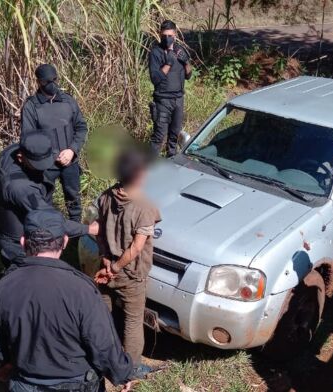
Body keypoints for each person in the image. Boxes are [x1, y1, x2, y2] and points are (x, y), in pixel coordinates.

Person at [0, 209, 137, 392]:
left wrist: (2, 365)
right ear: (64, 242)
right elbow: (102, 342)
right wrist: (121, 373)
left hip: (25, 381)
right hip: (77, 384)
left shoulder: (4, 287)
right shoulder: (82, 289)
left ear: (23, 242)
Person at [93, 150, 160, 374]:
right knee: (132, 322)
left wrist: (105, 260)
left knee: (104, 315)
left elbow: (98, 231)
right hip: (130, 274)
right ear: (139, 175)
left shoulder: (106, 196)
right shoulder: (144, 206)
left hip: (105, 268)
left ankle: (100, 357)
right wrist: (116, 267)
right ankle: (130, 369)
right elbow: (137, 247)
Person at [0, 132, 96, 268]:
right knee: (27, 281)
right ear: (20, 158)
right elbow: (50, 220)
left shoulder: (13, 151)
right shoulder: (21, 188)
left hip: (23, 227)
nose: (44, 168)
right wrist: (88, 229)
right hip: (17, 244)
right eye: (38, 165)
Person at [20, 63, 88, 222]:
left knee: (74, 200)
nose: (52, 85)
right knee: (44, 201)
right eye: (46, 82)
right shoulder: (31, 106)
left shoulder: (68, 101)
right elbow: (28, 139)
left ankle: (75, 235)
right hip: (45, 165)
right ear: (38, 82)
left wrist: (72, 150)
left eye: (54, 80)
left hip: (70, 161)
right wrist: (53, 155)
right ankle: (50, 235)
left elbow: (81, 127)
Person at [147, 20, 192, 157]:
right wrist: (169, 63)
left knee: (174, 134)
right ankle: (151, 167)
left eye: (170, 35)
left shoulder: (180, 50)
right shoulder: (155, 53)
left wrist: (186, 63)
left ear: (175, 34)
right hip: (162, 101)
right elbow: (156, 79)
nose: (167, 38)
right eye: (164, 35)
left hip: (178, 99)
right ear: (160, 35)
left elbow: (188, 75)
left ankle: (171, 161)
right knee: (159, 136)